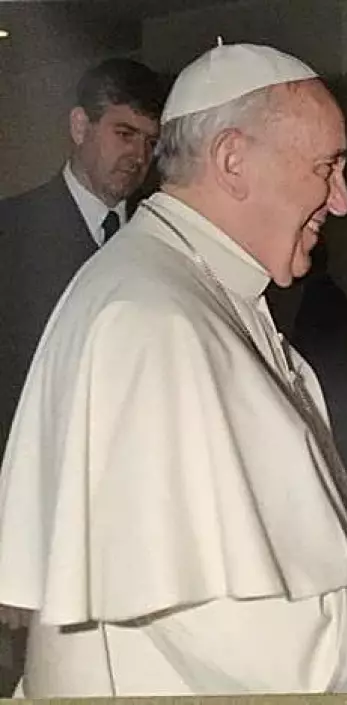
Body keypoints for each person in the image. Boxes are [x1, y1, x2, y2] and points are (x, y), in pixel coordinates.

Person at [0, 43, 347, 696]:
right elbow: (263, 636)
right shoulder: (157, 323)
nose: (341, 200)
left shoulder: (198, 289)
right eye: (327, 167)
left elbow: (295, 530)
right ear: (233, 160)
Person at [0, 56, 163, 696]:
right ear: (78, 126)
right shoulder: (10, 233)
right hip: (35, 523)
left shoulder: (159, 242)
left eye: (149, 142)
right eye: (124, 133)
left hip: (133, 530)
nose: (138, 156)